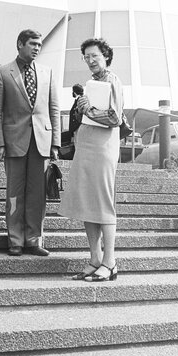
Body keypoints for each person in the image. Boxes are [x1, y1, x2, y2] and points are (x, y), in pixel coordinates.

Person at [0, 29, 61, 256]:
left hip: (41, 141)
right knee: (14, 192)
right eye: (32, 44)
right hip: (13, 142)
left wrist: (56, 143)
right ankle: (15, 240)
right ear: (20, 44)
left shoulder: (47, 72)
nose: (37, 48)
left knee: (37, 194)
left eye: (39, 44)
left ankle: (34, 239)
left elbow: (54, 110)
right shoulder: (2, 72)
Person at [58, 38, 123, 281]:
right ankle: (95, 258)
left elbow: (115, 117)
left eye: (94, 55)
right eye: (86, 57)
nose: (90, 60)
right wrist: (80, 107)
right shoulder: (91, 83)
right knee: (87, 201)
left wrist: (89, 110)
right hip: (85, 145)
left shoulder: (112, 79)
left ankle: (110, 262)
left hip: (102, 147)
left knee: (103, 201)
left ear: (105, 56)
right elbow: (82, 115)